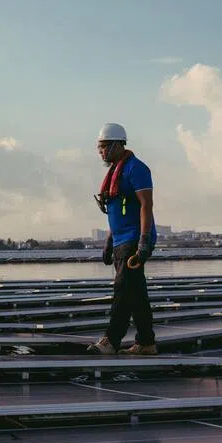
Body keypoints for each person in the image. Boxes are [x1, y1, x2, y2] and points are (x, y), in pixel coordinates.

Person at [87, 123, 158, 355]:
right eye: (99, 147)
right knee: (136, 292)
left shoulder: (136, 169)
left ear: (117, 144)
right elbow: (116, 212)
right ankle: (146, 342)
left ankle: (111, 340)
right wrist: (109, 240)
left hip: (134, 239)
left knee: (122, 288)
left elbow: (146, 205)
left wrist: (144, 240)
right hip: (120, 240)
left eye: (104, 146)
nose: (101, 152)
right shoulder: (114, 173)